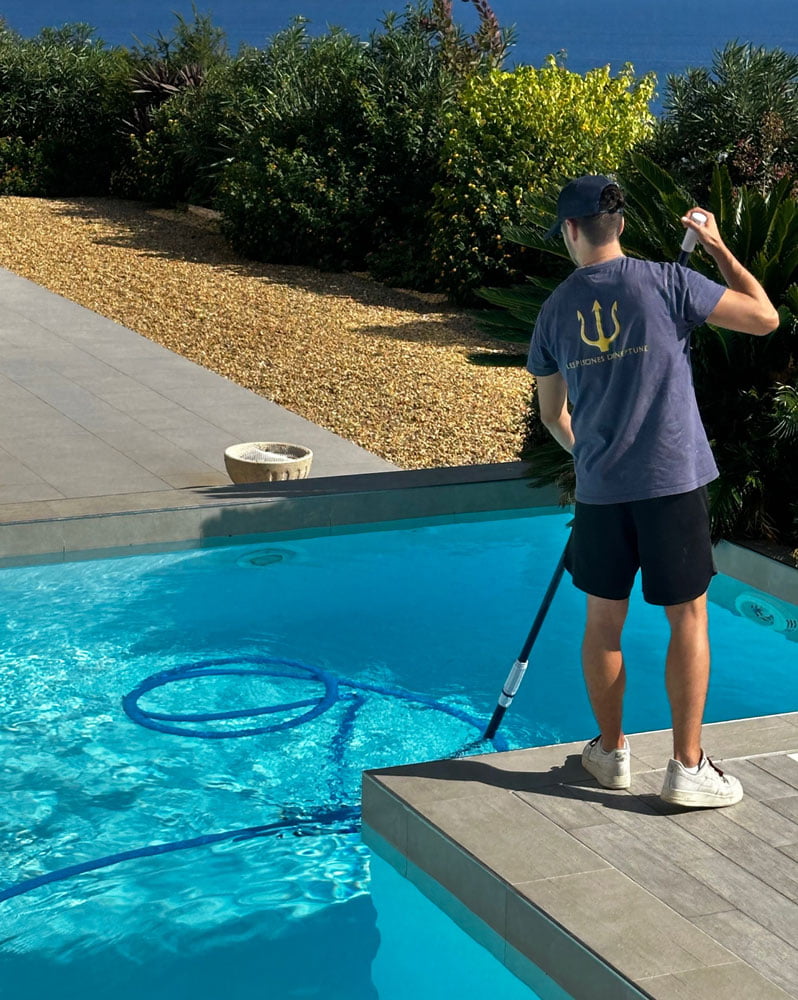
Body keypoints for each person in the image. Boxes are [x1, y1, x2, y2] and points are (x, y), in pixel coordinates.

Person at [527, 174, 780, 808]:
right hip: (672, 483)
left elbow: (554, 414)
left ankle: (611, 755)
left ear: (573, 231)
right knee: (687, 617)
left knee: (603, 624)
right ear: (620, 227)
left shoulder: (555, 310)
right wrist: (717, 245)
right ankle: (687, 769)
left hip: (602, 492)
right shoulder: (668, 282)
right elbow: (765, 317)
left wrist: (587, 457)